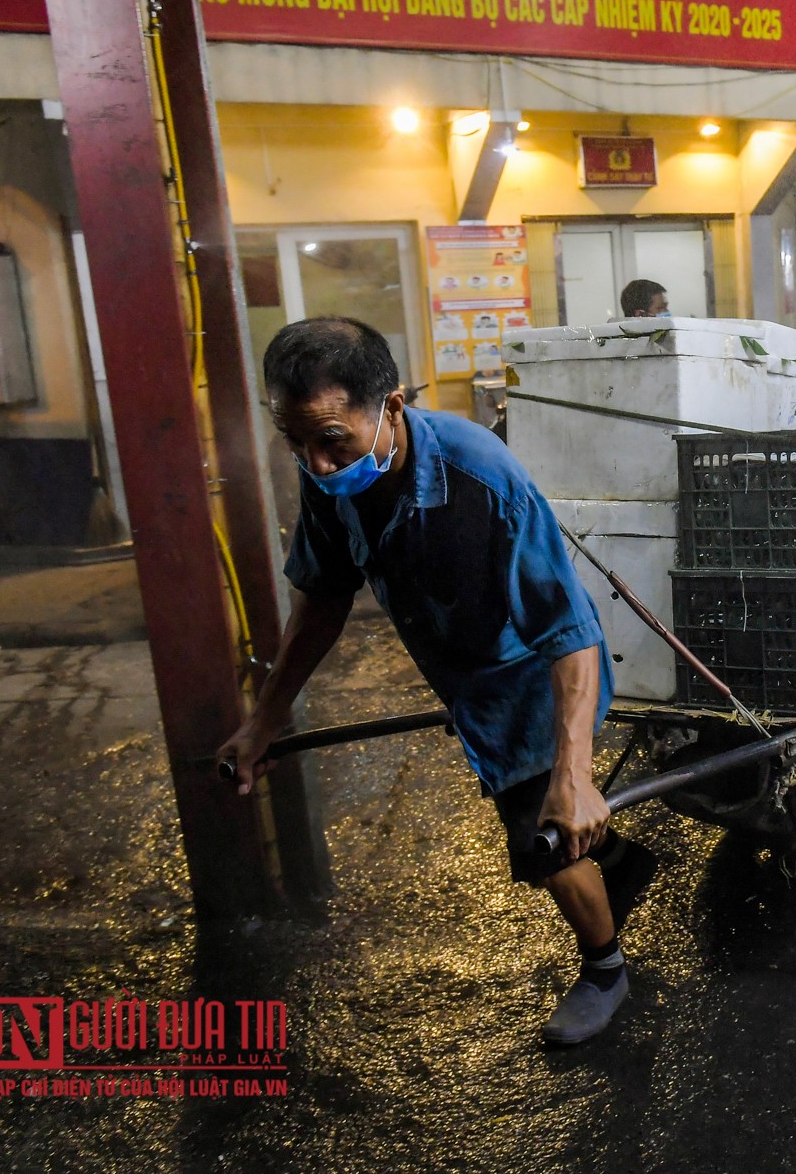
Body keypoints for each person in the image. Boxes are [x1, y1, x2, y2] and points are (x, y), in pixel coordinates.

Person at [219, 317, 655, 1047]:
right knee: (557, 823)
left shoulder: (481, 478)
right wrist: (264, 718)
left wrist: (573, 772)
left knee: (543, 836)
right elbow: (323, 599)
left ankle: (606, 969)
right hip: (464, 674)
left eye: (331, 439)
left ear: (389, 405)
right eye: (297, 442)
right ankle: (621, 861)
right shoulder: (327, 474)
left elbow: (571, 630)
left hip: (533, 677)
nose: (318, 464)